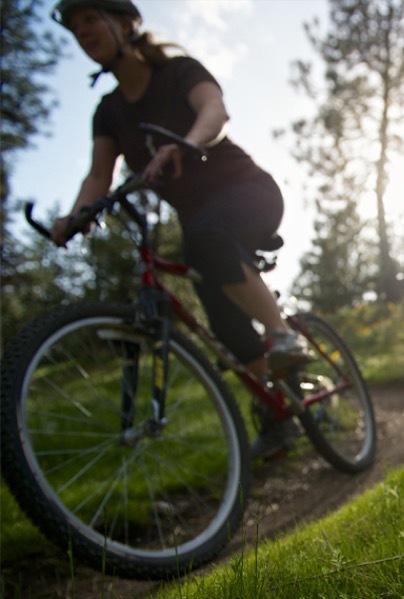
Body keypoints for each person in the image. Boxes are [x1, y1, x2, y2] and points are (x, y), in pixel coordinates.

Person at [50, 0, 312, 459]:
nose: (82, 31)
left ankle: (285, 336)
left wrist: (186, 144)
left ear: (126, 22)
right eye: (75, 27)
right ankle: (278, 415)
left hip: (247, 191)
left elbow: (214, 112)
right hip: (198, 223)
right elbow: (97, 176)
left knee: (205, 240)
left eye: (90, 18)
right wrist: (76, 216)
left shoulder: (178, 72)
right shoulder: (109, 112)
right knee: (223, 320)